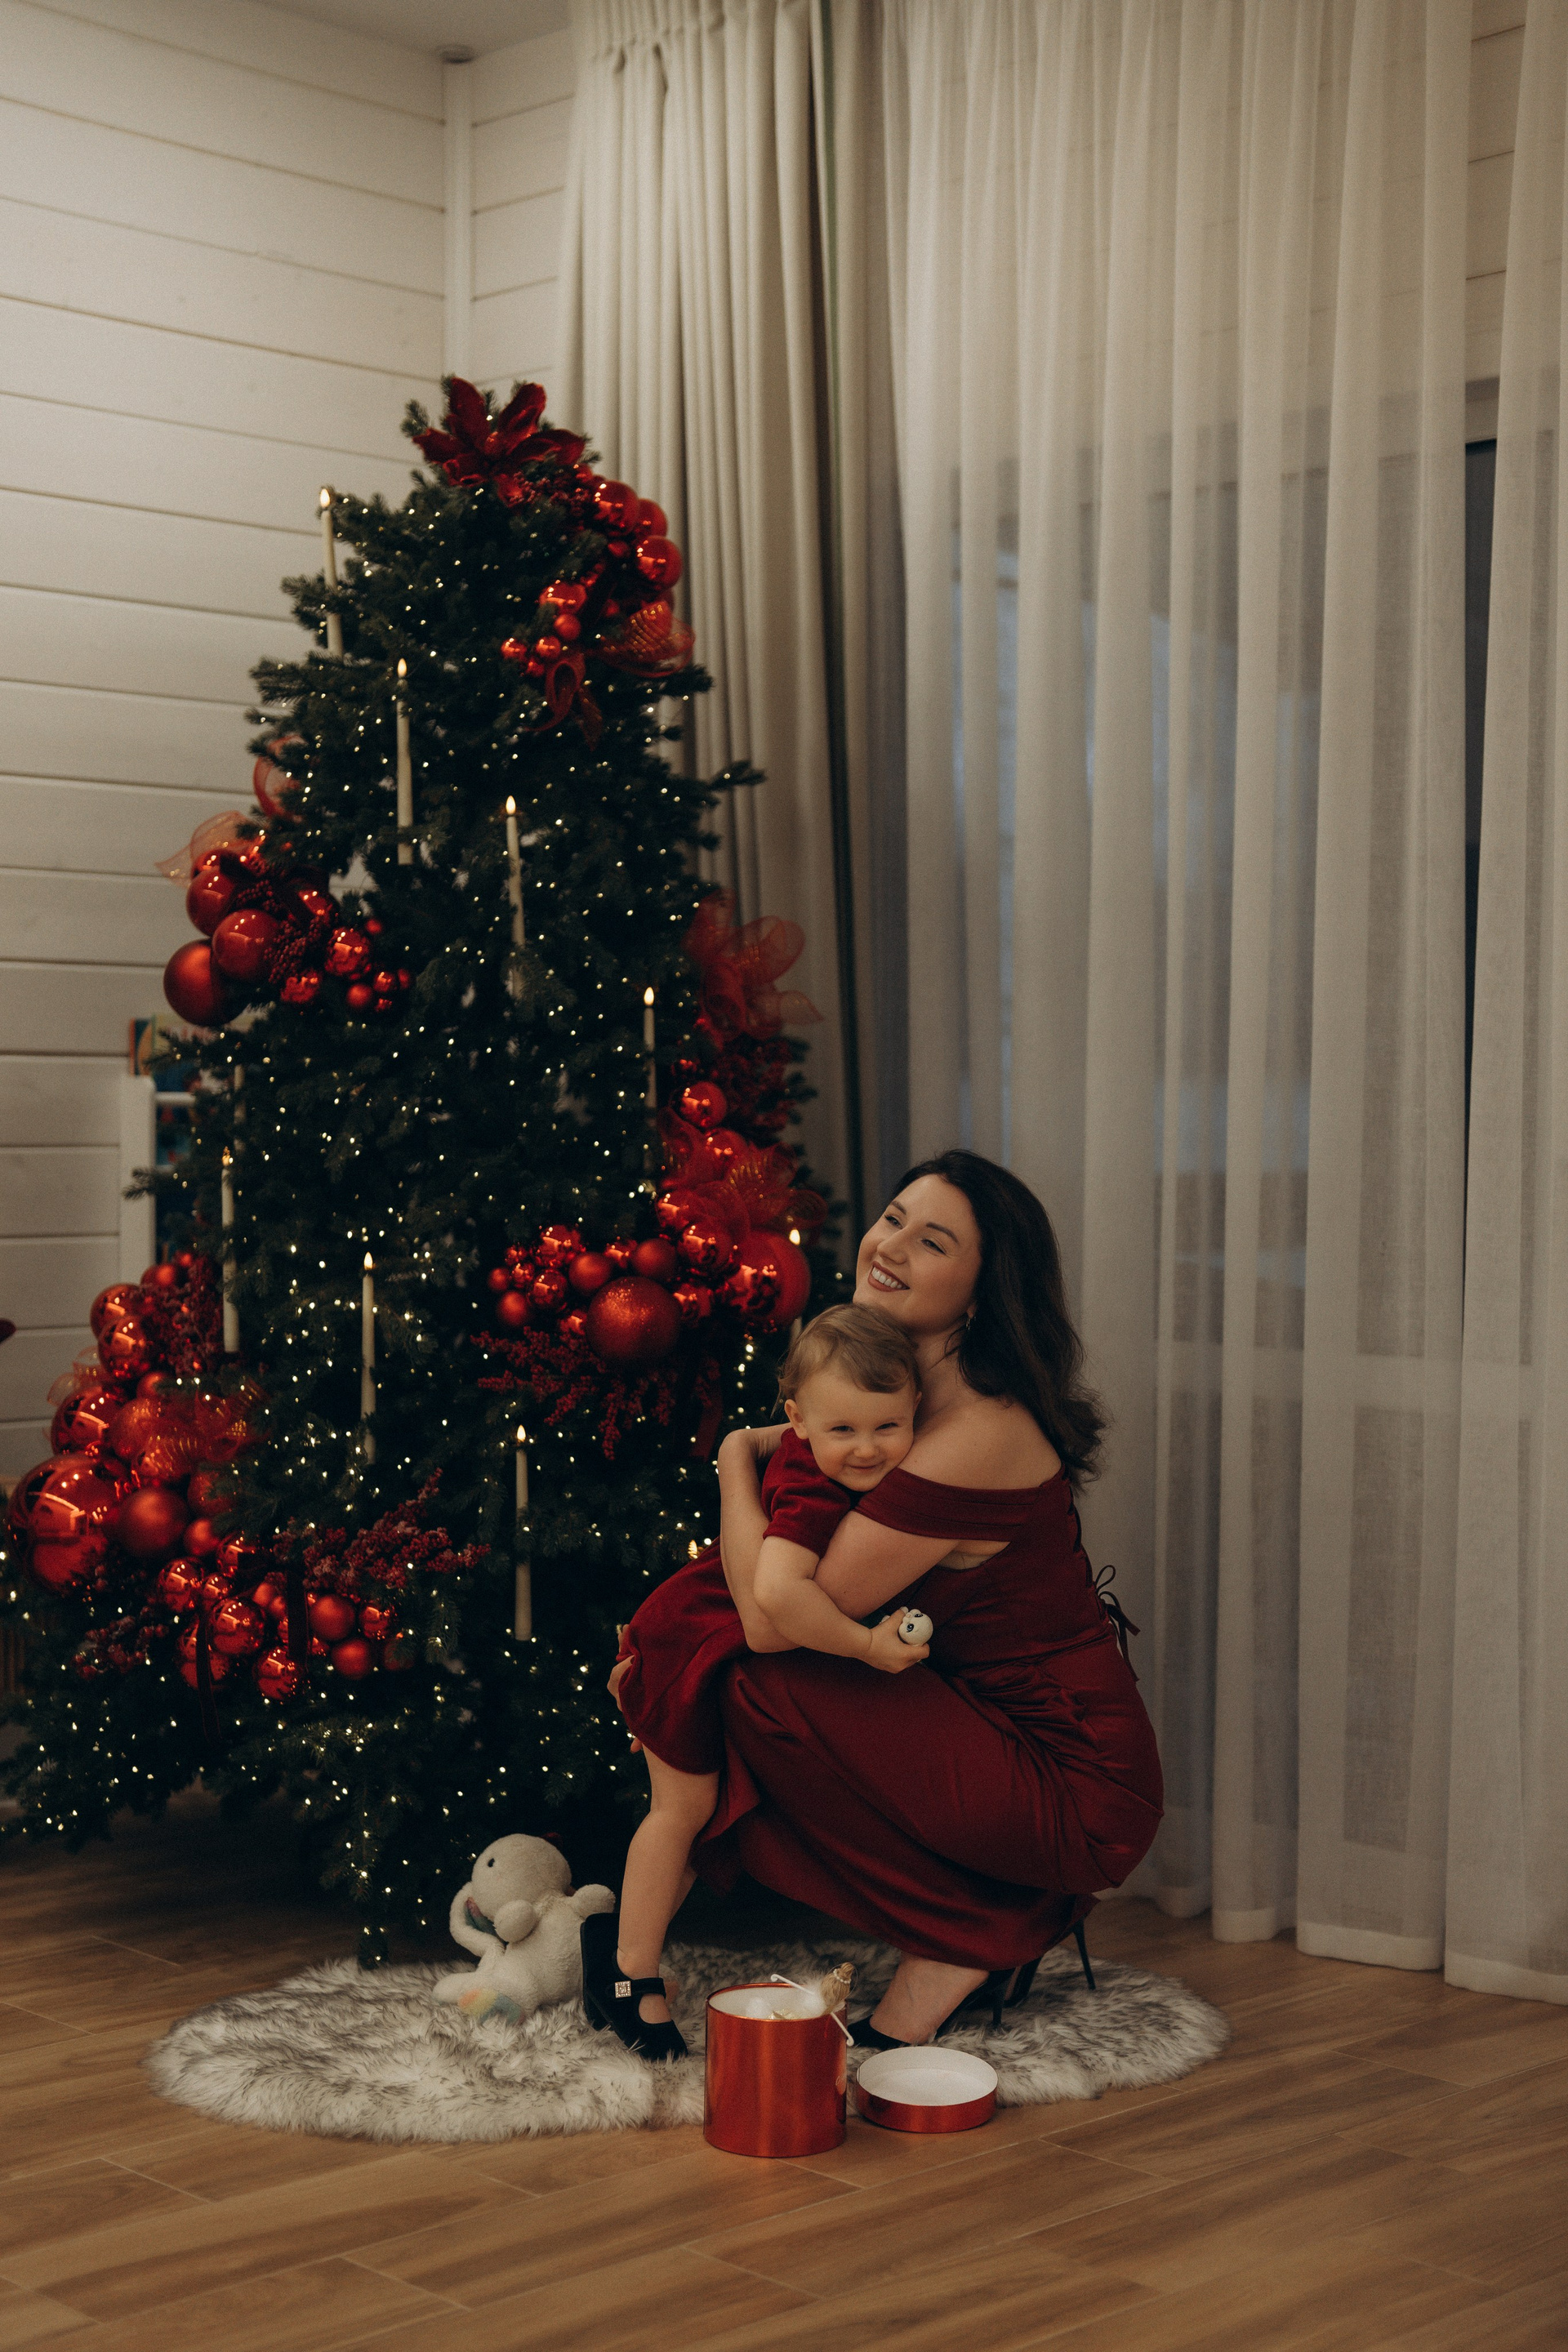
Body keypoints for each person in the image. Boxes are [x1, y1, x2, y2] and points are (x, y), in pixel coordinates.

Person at [700, 1149, 1164, 2050]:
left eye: (933, 1241)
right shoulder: (895, 1410)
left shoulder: (977, 1433)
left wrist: (733, 1461)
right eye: (893, 1218)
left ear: (984, 1292)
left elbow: (769, 1618)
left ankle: (973, 1933)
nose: (890, 1245)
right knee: (721, 1667)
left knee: (754, 1682)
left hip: (1078, 1783)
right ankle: (981, 1922)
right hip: (984, 1724)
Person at [581, 1307, 935, 2060]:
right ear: (799, 1421)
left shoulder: (831, 1451)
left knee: (703, 1813)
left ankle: (620, 1947)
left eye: (889, 1426)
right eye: (844, 1430)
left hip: (706, 1643)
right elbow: (780, 1602)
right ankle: (628, 1973)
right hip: (686, 1643)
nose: (868, 1448)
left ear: (916, 1410)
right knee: (681, 1810)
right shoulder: (813, 1490)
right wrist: (867, 1647)